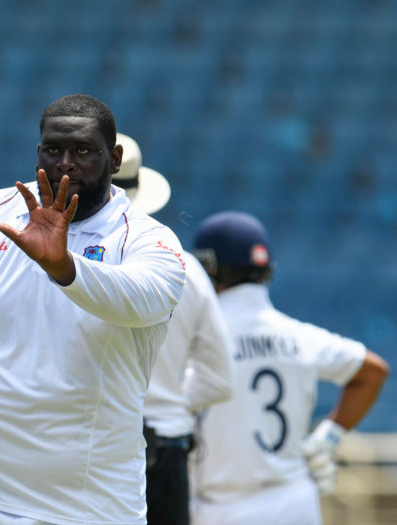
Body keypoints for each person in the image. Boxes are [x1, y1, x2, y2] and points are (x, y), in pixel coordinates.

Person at [0, 94, 187, 525]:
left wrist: (64, 267)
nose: (65, 163)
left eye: (83, 150)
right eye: (53, 149)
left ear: (114, 158)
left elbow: (141, 301)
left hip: (89, 508)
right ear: (38, 153)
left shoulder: (148, 240)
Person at [189, 210, 390, 525]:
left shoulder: (196, 342)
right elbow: (373, 371)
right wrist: (328, 438)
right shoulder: (299, 336)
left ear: (207, 269)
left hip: (223, 509)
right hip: (297, 504)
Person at [113, 133, 235, 525]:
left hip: (87, 443)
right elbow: (219, 380)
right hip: (165, 447)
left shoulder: (64, 265)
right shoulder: (187, 268)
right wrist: (166, 401)